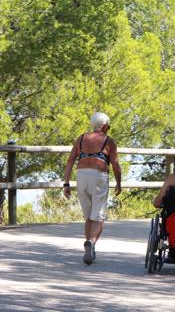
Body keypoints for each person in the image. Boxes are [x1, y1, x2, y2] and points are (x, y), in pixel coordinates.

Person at [63, 112, 122, 265]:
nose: (109, 129)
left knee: (89, 216)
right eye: (108, 126)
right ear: (103, 126)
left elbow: (70, 162)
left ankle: (89, 248)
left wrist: (66, 183)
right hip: (99, 176)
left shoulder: (81, 138)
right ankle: (92, 242)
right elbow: (115, 164)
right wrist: (118, 183)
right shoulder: (108, 141)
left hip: (81, 176)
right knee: (99, 215)